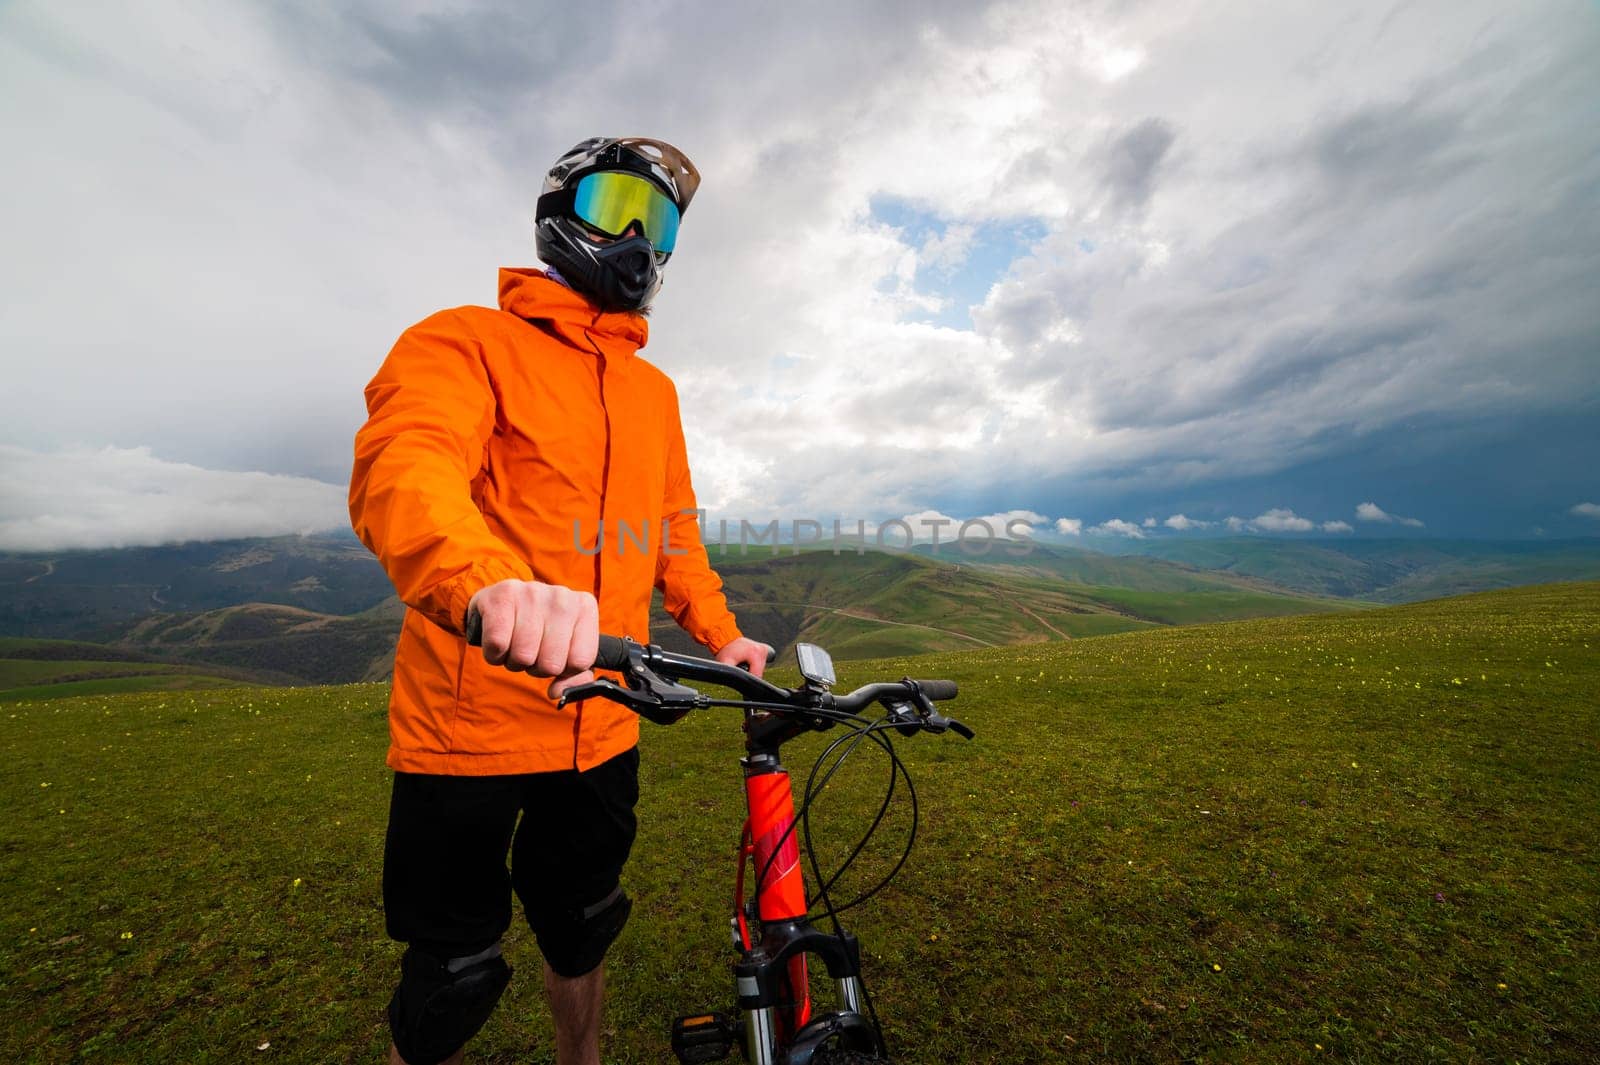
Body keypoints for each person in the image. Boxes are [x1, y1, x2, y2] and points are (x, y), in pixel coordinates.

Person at [349, 136, 771, 1065]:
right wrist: (483, 581)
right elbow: (406, 463)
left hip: (606, 723)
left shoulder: (653, 391)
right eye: (614, 202)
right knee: (451, 977)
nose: (632, 234)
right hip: (468, 733)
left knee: (584, 926)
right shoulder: (464, 340)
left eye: (655, 221)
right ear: (557, 215)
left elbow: (671, 534)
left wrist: (723, 634)